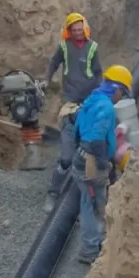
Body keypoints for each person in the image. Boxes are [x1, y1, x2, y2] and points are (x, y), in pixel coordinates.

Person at [71, 65, 132, 264]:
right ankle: (90, 250)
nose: (120, 98)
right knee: (92, 206)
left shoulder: (93, 98)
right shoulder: (106, 107)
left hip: (80, 157)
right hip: (91, 161)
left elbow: (77, 130)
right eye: (122, 93)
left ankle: (97, 241)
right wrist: (102, 164)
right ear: (116, 89)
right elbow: (97, 139)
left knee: (90, 203)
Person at [43, 12, 103, 213]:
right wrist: (47, 79)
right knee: (67, 157)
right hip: (70, 105)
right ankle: (53, 192)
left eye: (80, 30)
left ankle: (86, 198)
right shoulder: (64, 47)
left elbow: (97, 73)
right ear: (69, 31)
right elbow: (53, 63)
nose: (77, 33)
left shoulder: (92, 48)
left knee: (87, 153)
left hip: (87, 105)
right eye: (74, 30)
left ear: (85, 29)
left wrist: (96, 96)